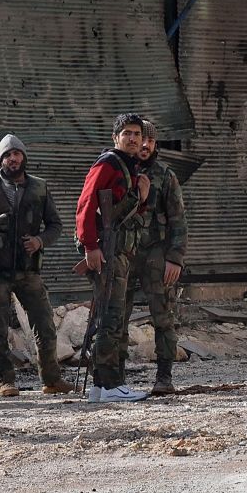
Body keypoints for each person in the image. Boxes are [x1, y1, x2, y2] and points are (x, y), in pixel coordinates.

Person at [0, 134, 74, 397]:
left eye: (16, 153)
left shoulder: (39, 188)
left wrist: (40, 241)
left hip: (28, 270)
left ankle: (51, 379)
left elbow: (56, 225)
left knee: (44, 323)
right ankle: (5, 381)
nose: (12, 158)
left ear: (23, 157)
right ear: (0, 160)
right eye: (7, 155)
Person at [75, 112, 150, 403]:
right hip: (106, 252)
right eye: (127, 133)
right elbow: (86, 202)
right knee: (110, 316)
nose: (132, 138)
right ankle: (108, 384)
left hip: (119, 251)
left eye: (136, 134)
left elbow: (128, 215)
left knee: (112, 315)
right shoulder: (108, 163)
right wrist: (90, 246)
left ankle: (101, 386)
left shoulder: (131, 168)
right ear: (115, 137)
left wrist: (141, 197)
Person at [121, 120, 187, 395]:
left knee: (163, 316)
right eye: (141, 139)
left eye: (150, 140)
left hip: (156, 256)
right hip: (124, 253)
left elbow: (178, 220)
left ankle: (164, 375)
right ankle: (116, 375)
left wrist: (175, 258)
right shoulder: (119, 172)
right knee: (117, 316)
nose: (145, 145)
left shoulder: (165, 175)